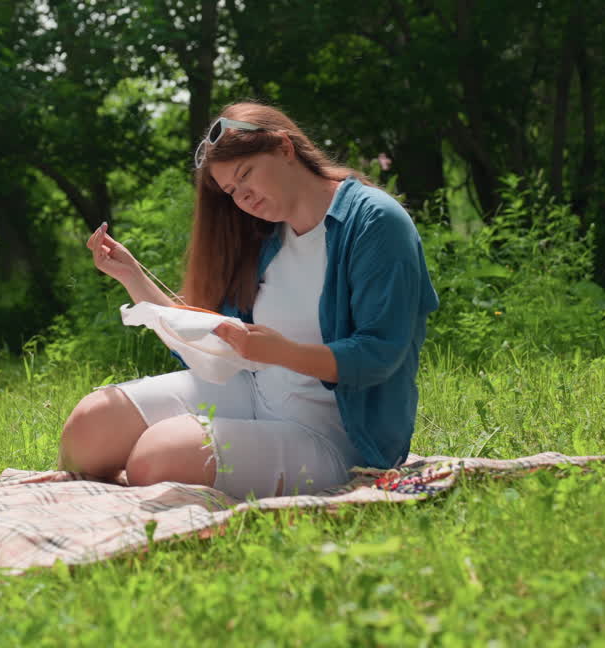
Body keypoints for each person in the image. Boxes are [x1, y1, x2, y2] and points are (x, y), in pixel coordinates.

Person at [58, 101, 439, 499]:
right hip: (253, 391)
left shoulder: (375, 222)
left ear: (284, 148)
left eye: (246, 175)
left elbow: (380, 353)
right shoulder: (266, 234)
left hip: (336, 434)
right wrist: (131, 276)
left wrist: (282, 352)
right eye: (232, 191)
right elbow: (212, 344)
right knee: (89, 427)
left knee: (155, 458)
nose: (244, 198)